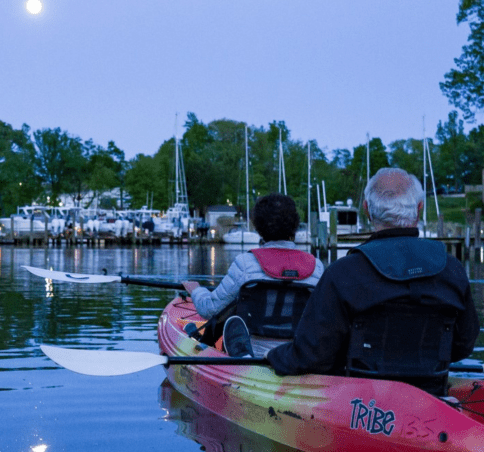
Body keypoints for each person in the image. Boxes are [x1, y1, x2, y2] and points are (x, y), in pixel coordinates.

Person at [266, 168, 479, 395]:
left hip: (359, 406)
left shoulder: (343, 273)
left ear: (366, 210)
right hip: (430, 395)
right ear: (419, 209)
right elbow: (463, 344)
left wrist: (272, 355)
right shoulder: (452, 271)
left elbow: (312, 355)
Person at [182, 193, 324, 356]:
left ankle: (238, 352)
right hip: (297, 354)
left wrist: (196, 290)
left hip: (255, 354)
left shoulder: (245, 263)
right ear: (295, 225)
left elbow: (208, 310)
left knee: (232, 310)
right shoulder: (317, 267)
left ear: (258, 226)